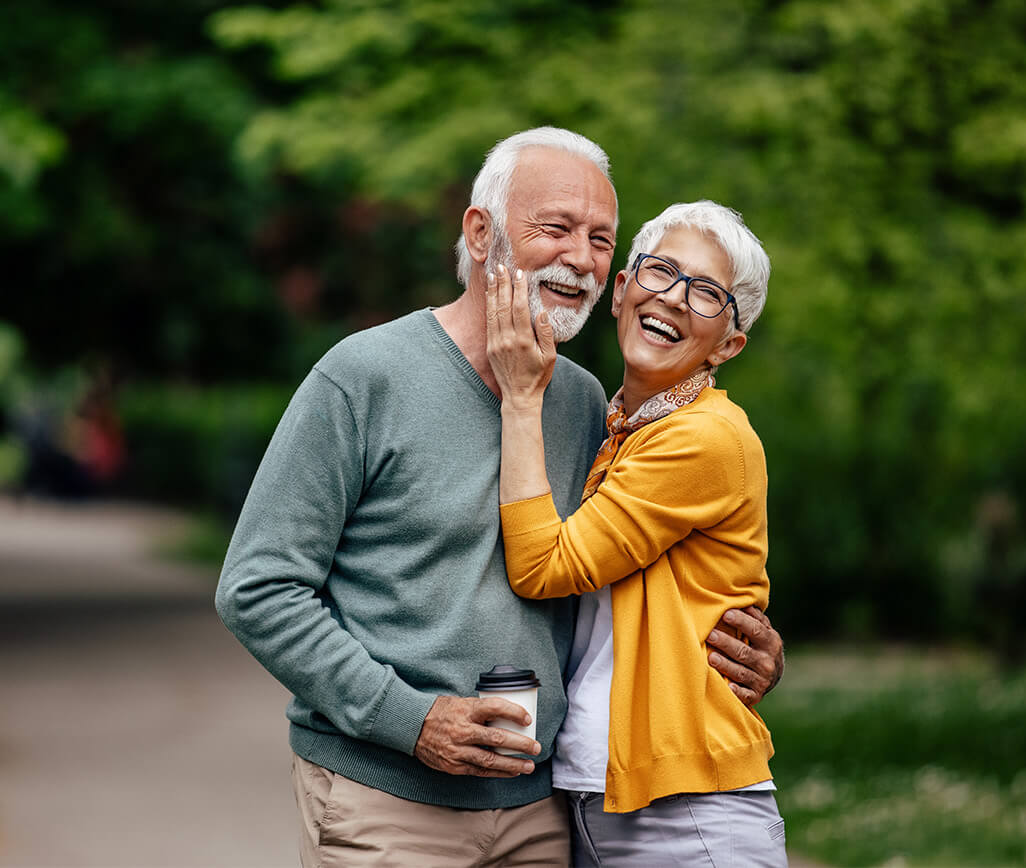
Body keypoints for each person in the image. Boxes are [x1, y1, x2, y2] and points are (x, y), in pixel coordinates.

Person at [215, 127, 785, 866]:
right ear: (482, 234)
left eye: (601, 239)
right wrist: (411, 719)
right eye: (556, 228)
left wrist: (738, 644)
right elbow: (257, 588)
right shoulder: (363, 377)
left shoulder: (589, 406)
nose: (579, 257)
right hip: (387, 799)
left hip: (541, 812)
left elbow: (638, 572)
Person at [486, 201, 785, 866]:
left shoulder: (702, 436)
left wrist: (521, 399)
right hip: (603, 799)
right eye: (662, 273)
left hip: (688, 817)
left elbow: (542, 567)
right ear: (624, 289)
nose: (675, 300)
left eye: (707, 293)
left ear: (729, 344)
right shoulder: (615, 422)